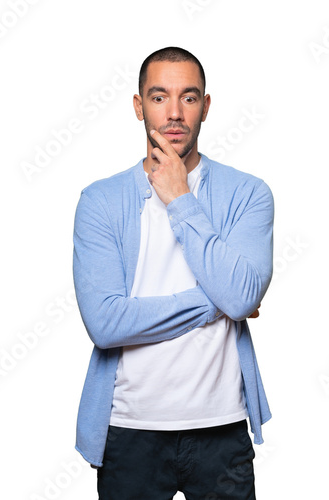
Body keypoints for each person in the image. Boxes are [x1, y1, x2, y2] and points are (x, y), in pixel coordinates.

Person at [72, 46, 274, 499]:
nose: (175, 112)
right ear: (139, 106)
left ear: (205, 106)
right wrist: (217, 301)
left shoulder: (248, 194)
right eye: (160, 97)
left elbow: (240, 298)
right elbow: (105, 324)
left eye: (189, 97)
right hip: (129, 429)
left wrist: (181, 199)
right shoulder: (100, 201)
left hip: (221, 427)